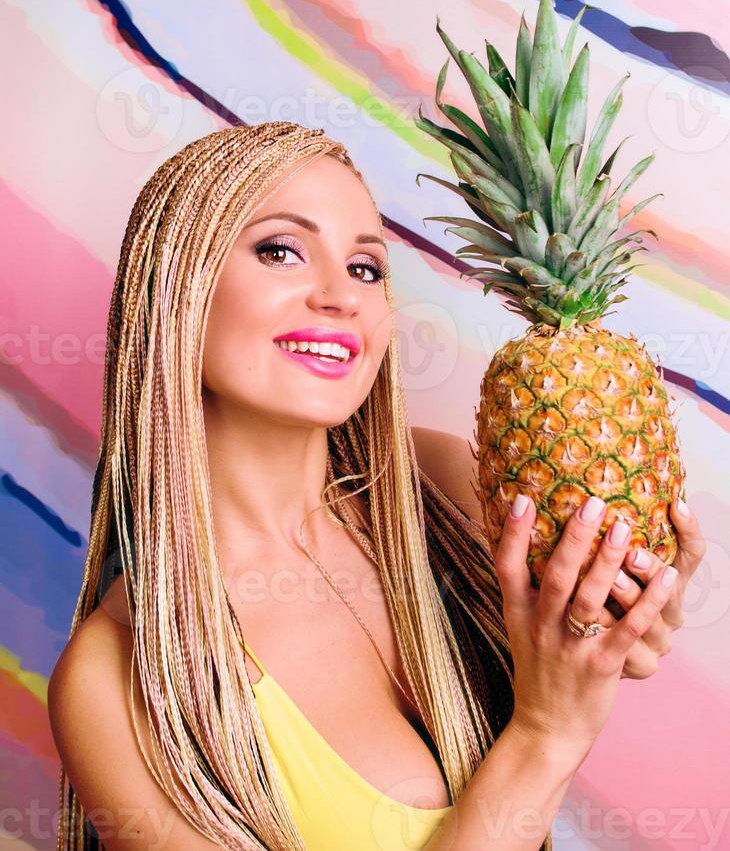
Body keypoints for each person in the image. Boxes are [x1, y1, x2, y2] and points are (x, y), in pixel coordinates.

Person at [47, 122, 705, 850]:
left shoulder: (449, 485)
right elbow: (553, 723)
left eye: (366, 268)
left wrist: (620, 621)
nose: (342, 296)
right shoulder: (121, 676)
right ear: (175, 287)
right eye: (281, 251)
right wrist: (549, 733)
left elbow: (599, 650)